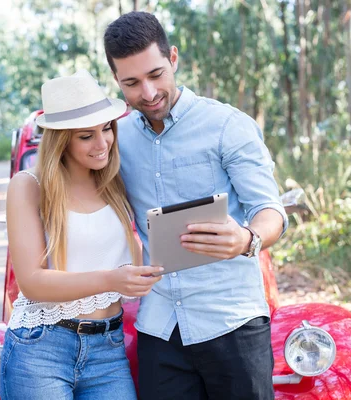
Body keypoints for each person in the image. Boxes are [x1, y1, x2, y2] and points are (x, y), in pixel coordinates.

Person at [103, 11, 288, 400]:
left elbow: (270, 211)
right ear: (116, 80)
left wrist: (247, 238)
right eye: (132, 83)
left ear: (173, 58)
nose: (149, 93)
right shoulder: (116, 139)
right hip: (160, 327)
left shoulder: (227, 126)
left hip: (232, 320)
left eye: (156, 75)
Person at [0, 69, 163, 400]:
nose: (103, 143)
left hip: (109, 347)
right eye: (86, 136)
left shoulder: (115, 180)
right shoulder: (29, 186)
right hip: (42, 349)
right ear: (62, 140)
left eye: (106, 129)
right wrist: (112, 280)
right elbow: (31, 282)